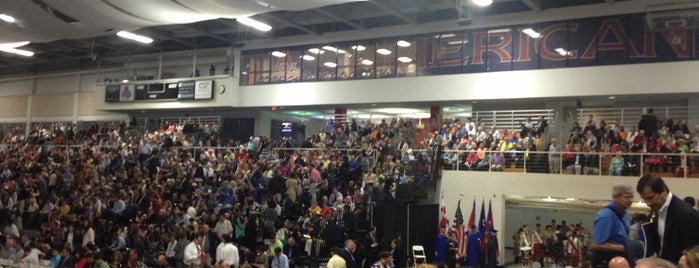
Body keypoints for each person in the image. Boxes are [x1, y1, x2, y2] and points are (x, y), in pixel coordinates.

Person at [637, 174, 699, 264]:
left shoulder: (686, 214)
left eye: (650, 198)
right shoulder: (657, 209)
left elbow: (693, 253)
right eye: (644, 199)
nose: (648, 203)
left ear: (664, 191)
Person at [590, 183, 633, 268]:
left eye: (631, 197)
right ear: (615, 197)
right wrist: (624, 248)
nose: (630, 200)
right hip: (607, 260)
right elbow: (597, 244)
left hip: (620, 258)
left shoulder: (624, 214)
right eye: (627, 197)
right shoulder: (606, 215)